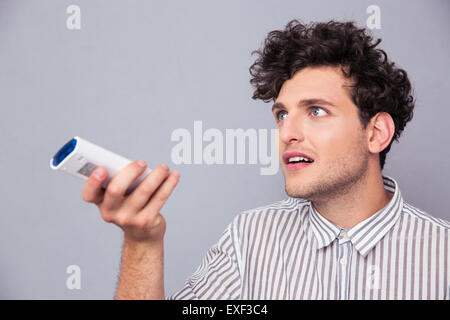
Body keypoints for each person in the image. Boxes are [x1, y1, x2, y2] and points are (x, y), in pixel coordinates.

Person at [81, 19, 449, 300]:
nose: (288, 132)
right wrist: (141, 242)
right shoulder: (249, 239)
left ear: (376, 133)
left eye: (316, 111)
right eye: (282, 114)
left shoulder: (442, 256)